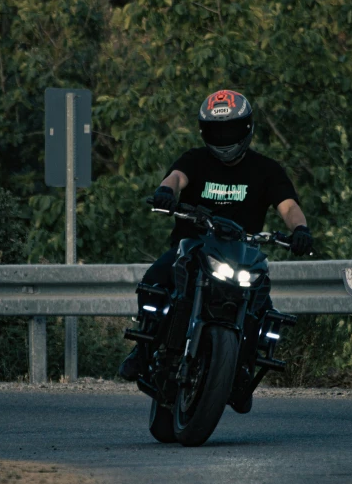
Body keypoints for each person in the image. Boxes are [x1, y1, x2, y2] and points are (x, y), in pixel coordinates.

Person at [119, 89, 313, 381]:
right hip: (194, 247)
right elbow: (176, 178)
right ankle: (143, 351)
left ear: (247, 128)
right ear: (203, 131)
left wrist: (300, 229)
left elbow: (288, 206)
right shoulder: (195, 160)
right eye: (216, 130)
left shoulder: (266, 169)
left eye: (231, 129)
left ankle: (246, 365)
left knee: (263, 308)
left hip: (242, 252)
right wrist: (165, 191)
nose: (224, 137)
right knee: (154, 281)